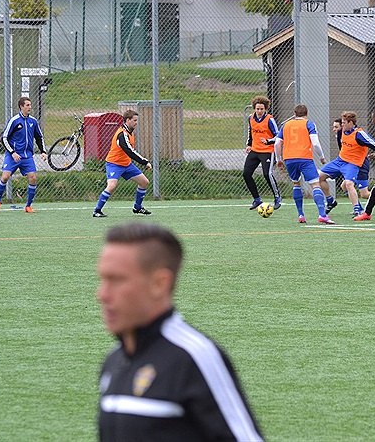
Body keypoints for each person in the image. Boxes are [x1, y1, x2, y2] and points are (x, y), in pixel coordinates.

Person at [97, 223, 264, 441]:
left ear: (159, 284)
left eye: (117, 280)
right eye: (102, 279)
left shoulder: (194, 357)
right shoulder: (114, 361)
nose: (102, 295)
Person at [274, 104, 334, 224]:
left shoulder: (286, 125)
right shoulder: (309, 124)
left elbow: (277, 143)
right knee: (315, 184)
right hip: (305, 158)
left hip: (289, 158)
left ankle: (301, 215)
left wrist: (278, 159)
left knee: (296, 183)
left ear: (294, 114)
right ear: (306, 114)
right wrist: (321, 157)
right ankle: (322, 215)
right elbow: (315, 143)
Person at [332, 116, 375, 218]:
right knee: (344, 186)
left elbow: (370, 144)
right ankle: (359, 208)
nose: (334, 129)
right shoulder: (342, 135)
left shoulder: (356, 133)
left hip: (360, 164)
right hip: (351, 163)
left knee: (364, 193)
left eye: (337, 127)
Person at [318, 111, 375, 217]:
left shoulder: (359, 134)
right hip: (340, 161)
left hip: (352, 164)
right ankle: (330, 201)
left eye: (344, 123)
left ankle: (357, 209)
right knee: (320, 177)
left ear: (351, 123)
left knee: (349, 184)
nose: (342, 125)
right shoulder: (342, 131)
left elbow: (374, 144)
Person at [93, 110, 153, 218]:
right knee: (111, 186)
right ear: (127, 120)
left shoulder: (130, 132)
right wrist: (145, 162)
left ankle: (137, 207)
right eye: (134, 120)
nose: (136, 123)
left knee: (144, 182)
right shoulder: (122, 134)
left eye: (137, 120)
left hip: (126, 164)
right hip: (114, 164)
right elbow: (129, 151)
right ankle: (97, 211)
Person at [0, 97, 47, 213]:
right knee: (5, 177)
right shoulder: (14, 121)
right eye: (27, 105)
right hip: (13, 156)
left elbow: (39, 137)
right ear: (21, 106)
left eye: (30, 105)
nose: (30, 107)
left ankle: (28, 206)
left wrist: (43, 151)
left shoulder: (33, 121)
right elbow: (4, 138)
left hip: (27, 156)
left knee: (33, 177)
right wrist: (12, 152)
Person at [243, 96, 281, 211]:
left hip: (267, 151)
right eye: (257, 109)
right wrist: (249, 145)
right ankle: (257, 199)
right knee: (246, 174)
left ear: (265, 109)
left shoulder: (269, 119)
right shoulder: (251, 118)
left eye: (262, 109)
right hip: (255, 150)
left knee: (267, 174)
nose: (259, 111)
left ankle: (277, 197)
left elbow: (278, 136)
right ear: (254, 108)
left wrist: (268, 141)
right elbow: (251, 132)